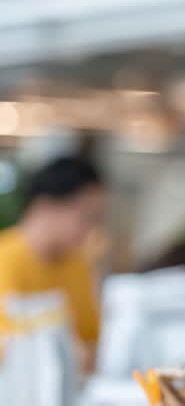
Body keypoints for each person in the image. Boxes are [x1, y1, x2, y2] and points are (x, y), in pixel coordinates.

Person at [0, 155, 107, 372]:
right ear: (45, 205)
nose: (91, 230)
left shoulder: (78, 264)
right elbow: (8, 352)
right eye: (86, 216)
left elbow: (93, 345)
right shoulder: (6, 259)